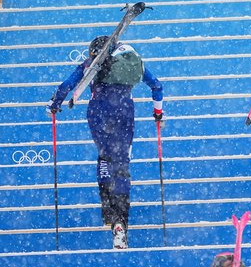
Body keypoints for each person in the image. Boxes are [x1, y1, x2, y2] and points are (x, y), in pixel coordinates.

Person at [46, 36, 164, 249]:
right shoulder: (131, 62)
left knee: (104, 156)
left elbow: (66, 86)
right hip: (124, 111)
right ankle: (120, 219)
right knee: (121, 163)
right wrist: (158, 113)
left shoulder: (91, 63)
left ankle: (107, 209)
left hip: (98, 113)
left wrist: (54, 105)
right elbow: (157, 86)